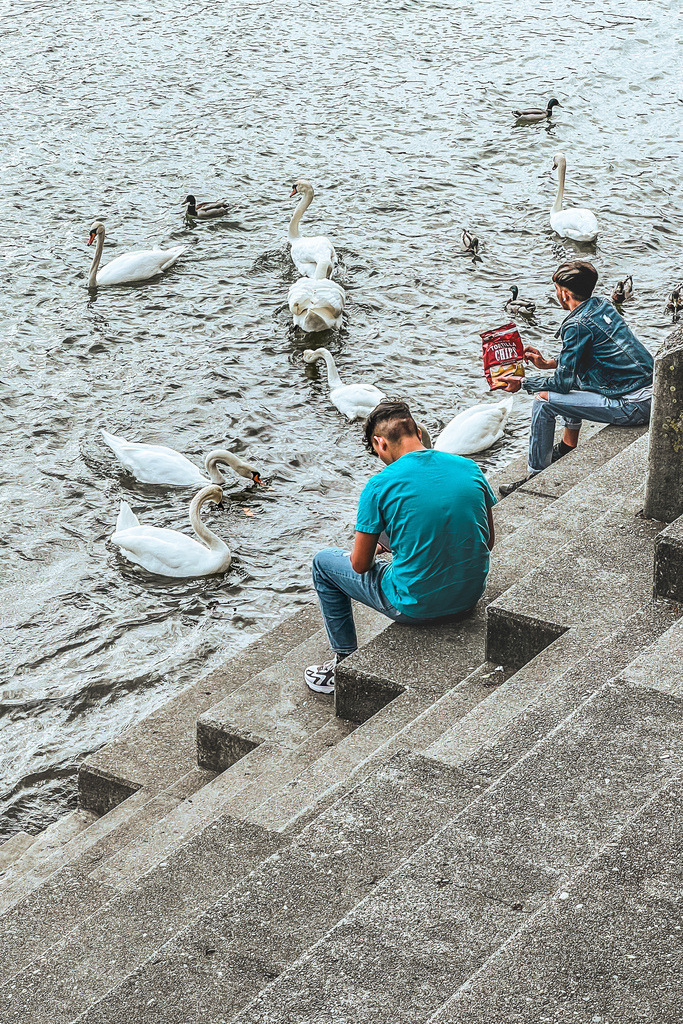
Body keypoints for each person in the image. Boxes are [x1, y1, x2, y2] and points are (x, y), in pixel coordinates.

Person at [304, 399, 496, 693]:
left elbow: (359, 566)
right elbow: (488, 540)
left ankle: (343, 663)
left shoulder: (380, 485)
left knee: (323, 564)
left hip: (415, 606)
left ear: (380, 443)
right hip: (469, 595)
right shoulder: (468, 468)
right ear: (418, 432)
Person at [497, 260, 654, 496]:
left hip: (634, 405)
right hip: (651, 390)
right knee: (573, 381)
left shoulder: (576, 324)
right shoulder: (601, 305)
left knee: (543, 400)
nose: (556, 295)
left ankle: (536, 475)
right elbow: (597, 356)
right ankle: (567, 447)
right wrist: (549, 363)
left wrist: (523, 384)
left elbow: (562, 383)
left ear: (565, 293)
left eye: (556, 290)